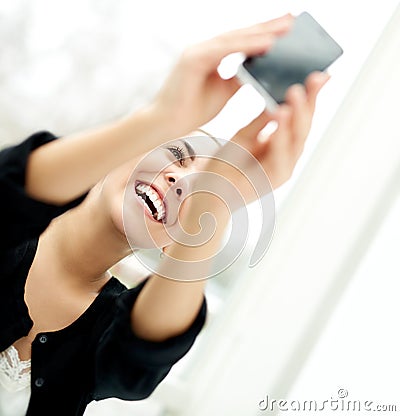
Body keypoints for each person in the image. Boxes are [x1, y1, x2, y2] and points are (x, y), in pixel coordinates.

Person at [0, 14, 329, 416]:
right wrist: (163, 118)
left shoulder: (110, 332)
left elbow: (141, 358)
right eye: (175, 155)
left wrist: (216, 203)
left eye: (197, 193)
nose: (178, 183)